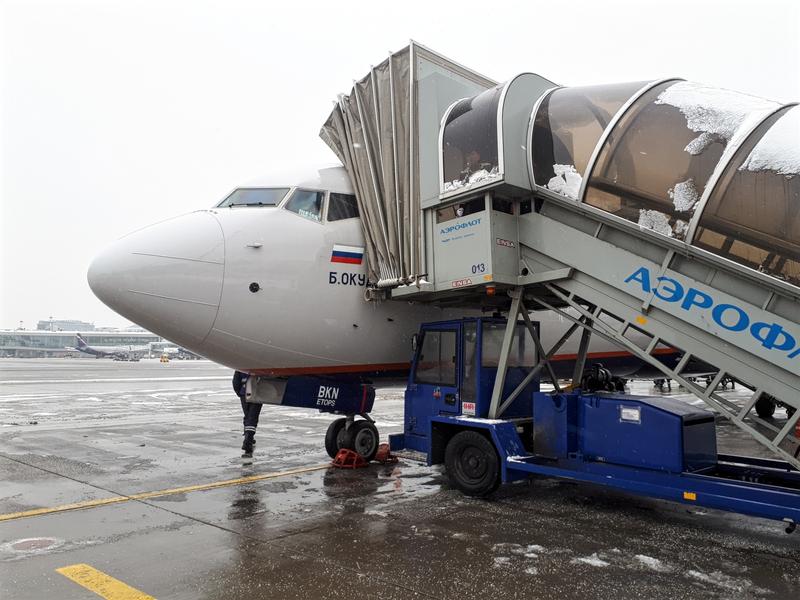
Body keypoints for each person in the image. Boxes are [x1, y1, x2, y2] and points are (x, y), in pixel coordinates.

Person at [233, 370, 262, 457]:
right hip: (257, 393)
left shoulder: (241, 366)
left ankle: (249, 437)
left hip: (244, 394)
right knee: (252, 418)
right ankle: (248, 441)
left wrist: (240, 392)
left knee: (248, 416)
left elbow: (236, 381)